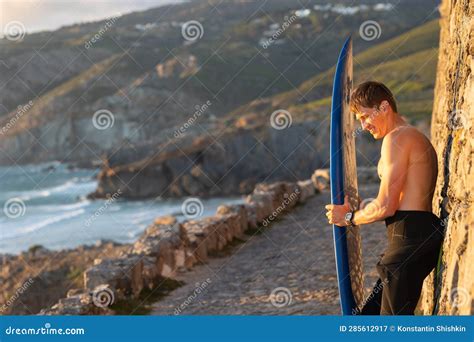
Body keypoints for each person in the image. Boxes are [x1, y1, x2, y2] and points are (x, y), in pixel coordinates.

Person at [325, 81, 444, 315]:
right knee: (367, 318)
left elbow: (385, 206)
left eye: (365, 116)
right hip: (414, 236)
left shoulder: (397, 139)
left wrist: (348, 217)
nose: (363, 125)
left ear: (384, 107)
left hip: (408, 238)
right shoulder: (410, 136)